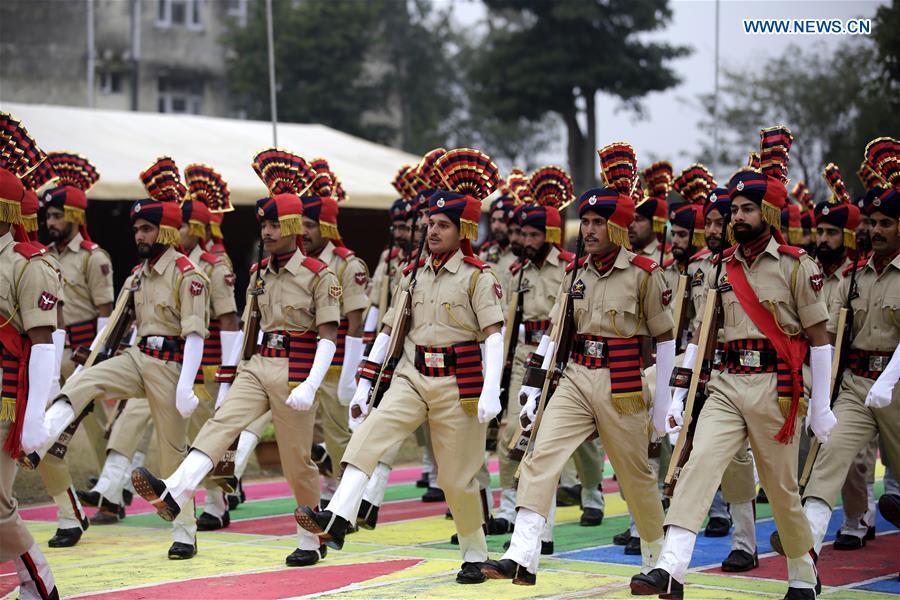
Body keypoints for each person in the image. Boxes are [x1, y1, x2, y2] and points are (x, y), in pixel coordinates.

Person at [632, 126, 833, 599]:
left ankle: (804, 574)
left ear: (768, 211)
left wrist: (821, 406)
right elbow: (700, 339)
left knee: (783, 491)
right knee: (698, 464)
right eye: (733, 210)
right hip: (724, 383)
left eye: (746, 209)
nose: (736, 217)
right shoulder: (719, 267)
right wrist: (679, 395)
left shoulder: (795, 265)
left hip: (775, 386)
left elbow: (820, 340)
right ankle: (671, 569)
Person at [295, 148, 505, 585]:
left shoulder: (478, 276)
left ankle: (474, 551)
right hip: (412, 376)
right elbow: (390, 331)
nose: (432, 231)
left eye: (442, 225)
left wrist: (491, 391)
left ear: (463, 229)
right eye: (430, 223)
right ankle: (337, 517)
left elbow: (495, 336)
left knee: (457, 479)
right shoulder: (413, 273)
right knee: (370, 436)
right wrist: (366, 381)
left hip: (458, 383)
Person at [131, 148, 341, 567]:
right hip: (258, 364)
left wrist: (312, 384)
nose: (266, 231)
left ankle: (308, 537)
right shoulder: (259, 273)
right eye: (262, 224)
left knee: (296, 461)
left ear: (293, 226)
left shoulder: (320, 275)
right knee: (220, 422)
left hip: (296, 370)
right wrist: (231, 376)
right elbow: (248, 328)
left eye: (273, 224)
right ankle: (177, 489)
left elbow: (329, 337)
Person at [481, 142, 674, 585]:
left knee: (636, 476)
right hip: (574, 378)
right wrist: (532, 388)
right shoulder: (575, 271)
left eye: (597, 222)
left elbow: (664, 339)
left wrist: (663, 404)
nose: (587, 230)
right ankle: (522, 555)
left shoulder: (645, 273)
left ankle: (656, 562)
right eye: (584, 221)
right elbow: (555, 332)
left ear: (618, 226)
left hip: (623, 383)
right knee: (538, 455)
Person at [37, 156, 210, 560]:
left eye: (147, 228)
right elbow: (113, 327)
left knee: (172, 454)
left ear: (165, 229)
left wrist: (186, 383)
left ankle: (185, 531)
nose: (140, 235)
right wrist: (91, 361)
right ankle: (45, 431)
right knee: (86, 382)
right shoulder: (137, 275)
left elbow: (195, 334)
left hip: (170, 368)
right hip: (136, 357)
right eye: (136, 229)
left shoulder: (188, 274)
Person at [799, 138, 900, 570]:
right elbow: (833, 336)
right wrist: (823, 397)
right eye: (872, 222)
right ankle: (803, 562)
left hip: (896, 387)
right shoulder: (855, 276)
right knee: (827, 459)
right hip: (858, 385)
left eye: (885, 223)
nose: (875, 230)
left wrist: (890, 381)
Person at [35, 152, 113, 546]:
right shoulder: (44, 256)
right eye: (47, 217)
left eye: (57, 217)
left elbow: (106, 312)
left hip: (86, 349)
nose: (50, 224)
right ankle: (86, 503)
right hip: (54, 346)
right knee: (55, 428)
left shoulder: (93, 256)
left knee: (99, 425)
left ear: (76, 217)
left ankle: (110, 490)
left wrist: (95, 355)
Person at [0, 114, 61, 600]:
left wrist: (36, 414)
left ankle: (40, 584)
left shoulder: (28, 263)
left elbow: (42, 340)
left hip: (3, 396)